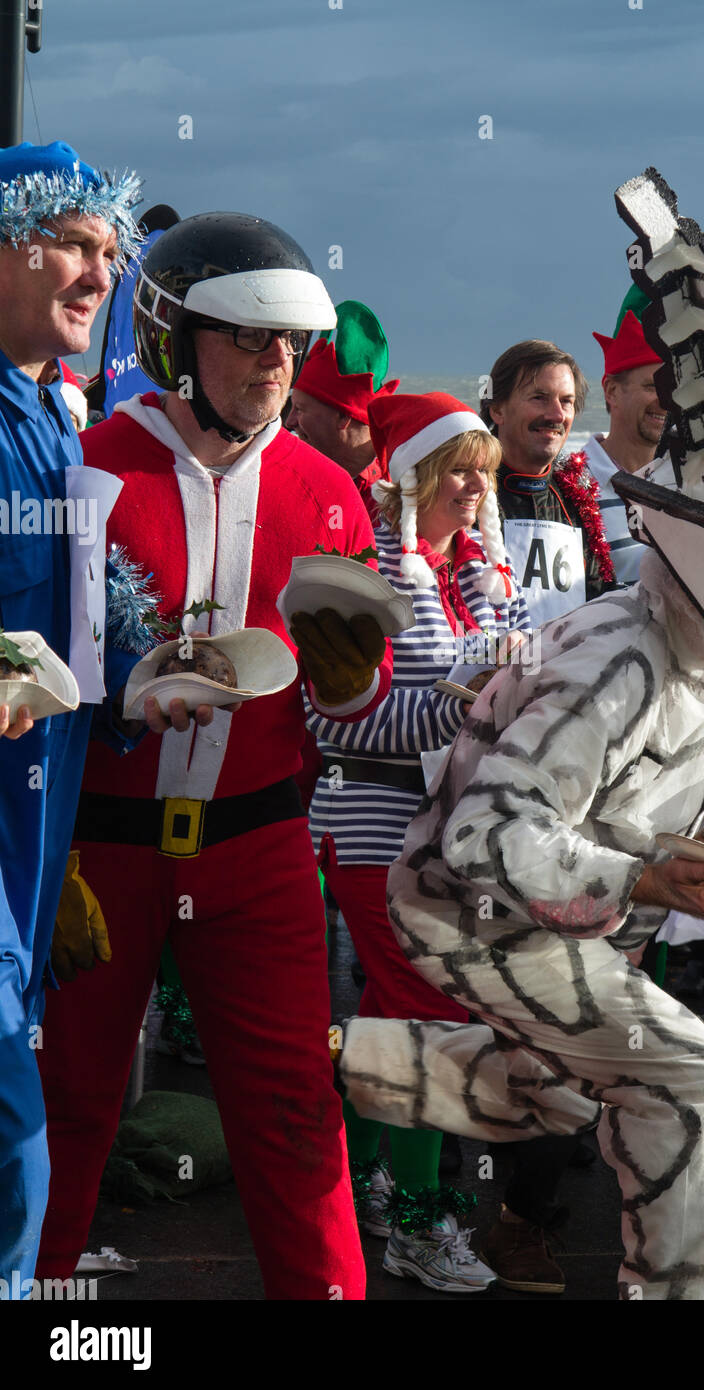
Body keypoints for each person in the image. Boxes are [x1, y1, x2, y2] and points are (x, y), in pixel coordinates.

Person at [334, 166, 704, 1300]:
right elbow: (485, 843)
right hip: (468, 910)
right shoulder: (621, 658)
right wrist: (645, 876)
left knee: (549, 1089)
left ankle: (319, 1071)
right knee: (690, 1083)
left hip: (580, 923)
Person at [35, 211, 393, 1300]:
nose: (275, 364)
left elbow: (358, 702)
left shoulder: (328, 488)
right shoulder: (86, 469)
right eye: (247, 338)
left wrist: (353, 684)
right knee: (64, 1105)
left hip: (260, 844)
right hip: (100, 842)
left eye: (288, 342)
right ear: (175, 341)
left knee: (293, 1103)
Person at [309, 391, 531, 1292]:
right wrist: (462, 700)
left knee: (401, 1014)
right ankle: (415, 1220)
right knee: (430, 1013)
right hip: (371, 819)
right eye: (460, 467)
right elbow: (336, 719)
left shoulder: (473, 571)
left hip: (453, 826)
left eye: (484, 467)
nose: (477, 484)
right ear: (413, 477)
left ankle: (362, 1180)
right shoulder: (370, 571)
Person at [0, 139, 144, 1293]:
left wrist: (147, 674)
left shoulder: (56, 420)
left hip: (33, 841)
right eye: (76, 246)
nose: (102, 273)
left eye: (113, 250)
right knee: (13, 1142)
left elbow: (82, 630)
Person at [481, 339, 616, 620]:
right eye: (539, 398)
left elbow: (600, 603)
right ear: (497, 409)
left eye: (566, 401)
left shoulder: (577, 499)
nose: (556, 415)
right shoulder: (465, 492)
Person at [290, 298, 399, 515]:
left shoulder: (400, 493)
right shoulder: (287, 473)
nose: (289, 421)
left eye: (300, 409)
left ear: (343, 417)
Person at [581, 310, 666, 583]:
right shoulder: (571, 485)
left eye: (674, 389)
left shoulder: (692, 480)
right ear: (612, 391)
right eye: (653, 387)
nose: (666, 401)